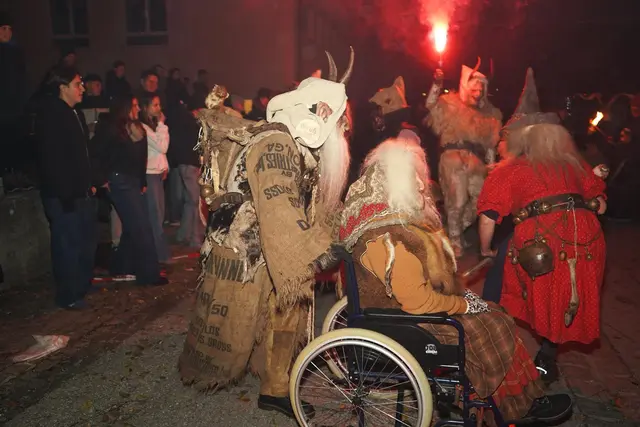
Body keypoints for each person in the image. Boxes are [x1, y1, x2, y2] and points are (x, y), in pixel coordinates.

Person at [339, 137, 572, 424]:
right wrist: (462, 305)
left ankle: (525, 397)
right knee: (493, 325)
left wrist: (461, 297)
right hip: (406, 323)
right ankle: (514, 407)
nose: (422, 185)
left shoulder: (395, 226)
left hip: (407, 316)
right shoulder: (386, 238)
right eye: (413, 178)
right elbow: (417, 302)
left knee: (496, 314)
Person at [178, 49, 355, 419]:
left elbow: (312, 203)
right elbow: (280, 206)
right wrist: (314, 250)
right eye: (340, 122)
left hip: (266, 245)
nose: (344, 131)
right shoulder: (277, 143)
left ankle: (275, 386)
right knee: (245, 322)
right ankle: (267, 382)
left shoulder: (297, 145)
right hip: (246, 250)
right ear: (320, 114)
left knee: (285, 312)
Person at [477, 68, 607, 384]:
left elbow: (488, 217)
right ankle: (547, 358)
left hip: (543, 239)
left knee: (501, 281)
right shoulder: (574, 163)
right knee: (565, 297)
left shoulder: (510, 170)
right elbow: (601, 205)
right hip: (588, 239)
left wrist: (485, 249)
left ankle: (492, 345)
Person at [424, 59, 502, 257]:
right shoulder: (450, 103)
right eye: (475, 87)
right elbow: (431, 104)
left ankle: (453, 231)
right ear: (466, 86)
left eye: (482, 89)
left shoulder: (490, 115)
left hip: (476, 162)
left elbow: (490, 145)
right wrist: (437, 84)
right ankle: (455, 242)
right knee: (456, 202)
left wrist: (492, 166)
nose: (479, 91)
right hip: (453, 158)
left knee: (481, 201)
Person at [35, 66, 98, 309]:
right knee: (67, 244)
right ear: (62, 88)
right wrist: (65, 194)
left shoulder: (75, 114)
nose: (82, 88)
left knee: (85, 241)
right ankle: (68, 294)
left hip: (81, 192)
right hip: (64, 196)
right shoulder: (52, 116)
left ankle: (82, 284)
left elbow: (83, 155)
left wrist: (90, 182)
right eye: (77, 84)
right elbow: (52, 160)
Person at [92, 95, 168, 286]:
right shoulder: (112, 128)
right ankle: (149, 274)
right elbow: (97, 154)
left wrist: (142, 181)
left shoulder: (137, 128)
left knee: (133, 226)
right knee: (141, 226)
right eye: (133, 105)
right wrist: (101, 179)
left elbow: (141, 158)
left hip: (133, 181)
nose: (137, 109)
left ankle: (121, 266)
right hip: (119, 181)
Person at [138, 93, 171, 264]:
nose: (159, 109)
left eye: (159, 105)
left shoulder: (153, 126)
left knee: (159, 215)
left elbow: (161, 151)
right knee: (155, 216)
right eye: (155, 105)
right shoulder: (144, 127)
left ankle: (158, 254)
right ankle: (158, 256)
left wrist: (165, 166)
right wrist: (162, 125)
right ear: (145, 108)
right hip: (150, 175)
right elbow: (162, 147)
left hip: (157, 174)